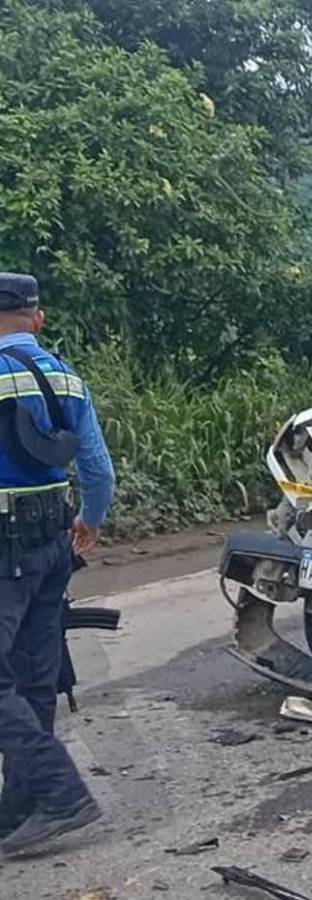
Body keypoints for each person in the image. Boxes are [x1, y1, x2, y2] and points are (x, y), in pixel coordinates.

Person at [0, 273, 114, 856]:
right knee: (33, 675)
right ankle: (19, 811)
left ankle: (59, 792)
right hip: (55, 541)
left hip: (5, 544)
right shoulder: (67, 377)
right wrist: (90, 521)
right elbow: (97, 470)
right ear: (37, 319)